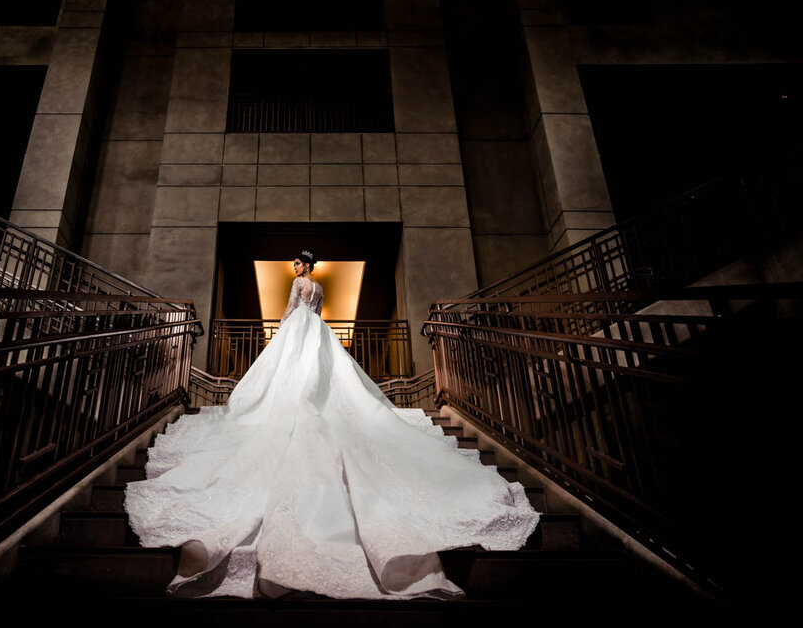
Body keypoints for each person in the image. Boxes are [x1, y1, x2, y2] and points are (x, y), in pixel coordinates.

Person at [124, 249, 540, 600]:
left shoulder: (298, 287)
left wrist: (280, 333)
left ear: (303, 267)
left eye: (297, 264)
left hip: (297, 330)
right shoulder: (320, 289)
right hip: (318, 330)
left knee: (291, 376)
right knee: (321, 377)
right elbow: (316, 312)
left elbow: (289, 311)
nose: (295, 269)